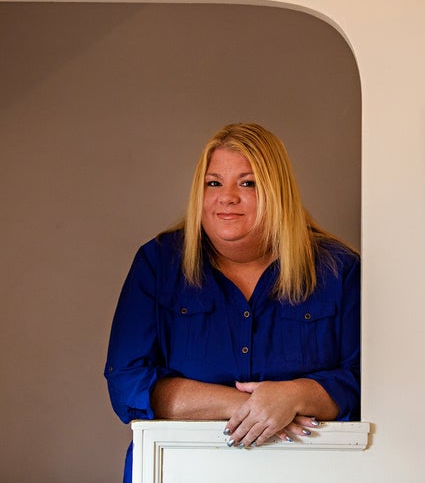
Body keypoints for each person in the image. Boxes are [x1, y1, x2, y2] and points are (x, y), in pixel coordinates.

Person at [104, 123, 360, 482]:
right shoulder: (158, 264)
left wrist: (296, 395)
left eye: (247, 183)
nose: (227, 197)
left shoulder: (339, 269)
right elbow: (128, 382)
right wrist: (252, 407)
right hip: (178, 469)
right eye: (214, 183)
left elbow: (369, 379)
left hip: (307, 469)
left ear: (277, 191)